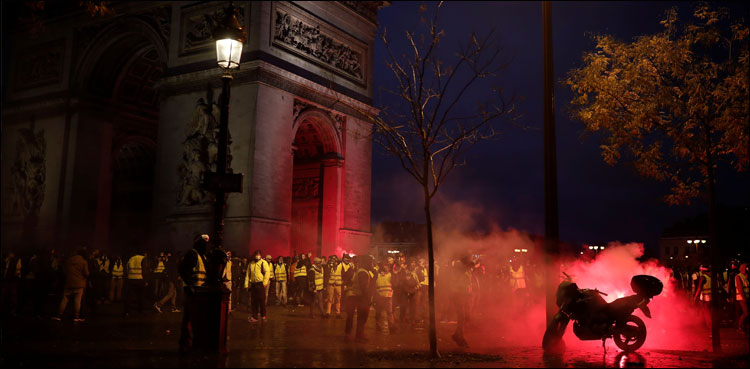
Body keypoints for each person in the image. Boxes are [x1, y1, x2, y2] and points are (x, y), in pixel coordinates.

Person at [178, 234, 209, 354]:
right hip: (193, 291)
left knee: (195, 318)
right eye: (203, 243)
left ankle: (190, 343)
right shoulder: (192, 254)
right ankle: (186, 344)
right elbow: (183, 269)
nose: (205, 245)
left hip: (199, 291)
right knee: (191, 319)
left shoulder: (201, 256)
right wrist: (190, 285)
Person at [52, 248, 89, 322]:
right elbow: (86, 273)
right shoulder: (84, 261)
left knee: (65, 299)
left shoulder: (69, 260)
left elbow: (64, 271)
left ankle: (59, 315)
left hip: (69, 283)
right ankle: (76, 317)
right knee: (77, 301)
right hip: (79, 284)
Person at [345, 255, 375, 343]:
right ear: (367, 263)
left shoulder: (362, 271)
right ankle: (358, 335)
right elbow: (364, 288)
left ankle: (350, 334)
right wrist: (368, 299)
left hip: (354, 296)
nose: (372, 264)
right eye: (371, 262)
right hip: (357, 297)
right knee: (361, 316)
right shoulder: (363, 272)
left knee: (352, 316)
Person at [451, 253, 475, 348]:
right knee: (461, 316)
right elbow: (459, 279)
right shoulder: (458, 267)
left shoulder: (467, 269)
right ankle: (460, 337)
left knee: (463, 317)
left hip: (464, 294)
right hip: (458, 294)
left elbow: (468, 282)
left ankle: (457, 335)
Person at [245, 250, 271, 322]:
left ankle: (263, 316)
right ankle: (254, 317)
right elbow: (247, 275)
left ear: (261, 255)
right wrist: (246, 285)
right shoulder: (251, 264)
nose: (257, 256)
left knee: (262, 301)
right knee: (254, 301)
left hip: (261, 284)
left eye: (259, 254)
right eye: (256, 254)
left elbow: (267, 273)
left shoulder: (264, 263)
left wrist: (265, 283)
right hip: (253, 284)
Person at [124, 250, 149, 317]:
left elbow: (127, 269)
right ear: (144, 254)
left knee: (129, 297)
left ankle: (127, 311)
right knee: (141, 296)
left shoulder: (131, 258)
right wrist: (146, 281)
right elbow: (144, 271)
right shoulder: (143, 258)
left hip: (131, 279)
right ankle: (140, 311)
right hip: (140, 279)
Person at [374, 260, 397, 333]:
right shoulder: (377, 275)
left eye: (387, 267)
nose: (387, 268)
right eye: (385, 266)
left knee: (389, 312)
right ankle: (378, 325)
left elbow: (395, 284)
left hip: (388, 296)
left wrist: (395, 275)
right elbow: (374, 285)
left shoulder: (391, 275)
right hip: (379, 297)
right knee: (378, 312)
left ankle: (392, 327)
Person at [693, 264, 712, 333]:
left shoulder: (702, 277)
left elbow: (699, 288)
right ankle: (701, 326)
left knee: (707, 315)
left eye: (700, 270)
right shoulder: (711, 276)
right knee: (706, 313)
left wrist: (695, 297)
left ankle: (710, 330)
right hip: (711, 298)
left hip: (705, 298)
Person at [735, 263, 748, 335]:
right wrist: (744, 298)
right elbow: (740, 288)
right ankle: (739, 327)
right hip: (741, 297)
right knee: (746, 313)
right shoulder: (738, 276)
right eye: (746, 268)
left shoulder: (745, 276)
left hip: (745, 296)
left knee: (745, 313)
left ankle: (743, 327)